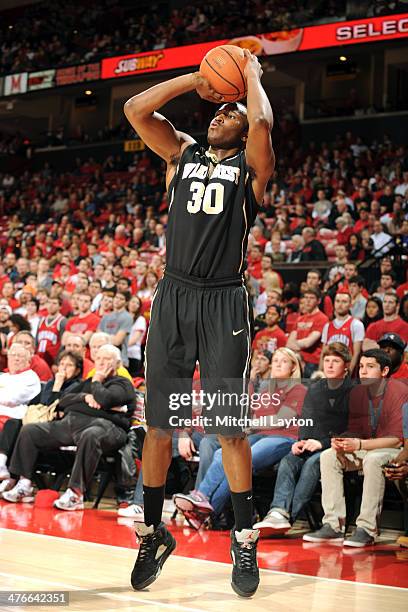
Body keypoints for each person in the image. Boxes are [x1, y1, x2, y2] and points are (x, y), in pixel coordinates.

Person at [124, 49, 275, 596]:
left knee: (228, 428)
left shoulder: (251, 168)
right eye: (218, 107)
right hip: (173, 295)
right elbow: (136, 108)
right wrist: (200, 79)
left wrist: (248, 75)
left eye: (230, 109)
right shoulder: (181, 155)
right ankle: (152, 530)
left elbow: (259, 120)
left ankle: (243, 538)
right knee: (159, 424)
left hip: (224, 301)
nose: (223, 112)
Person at [174, 348, 306, 529]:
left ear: (293, 367)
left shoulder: (298, 389)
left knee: (239, 461)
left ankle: (205, 507)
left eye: (284, 361)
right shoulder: (267, 390)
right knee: (225, 454)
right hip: (258, 434)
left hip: (283, 437)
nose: (278, 364)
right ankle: (203, 504)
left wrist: (249, 425)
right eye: (275, 360)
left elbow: (281, 419)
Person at [3, 345, 135, 509]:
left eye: (107, 359)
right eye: (99, 358)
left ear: (117, 363)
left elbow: (105, 399)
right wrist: (85, 397)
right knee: (31, 430)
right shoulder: (86, 384)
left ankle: (75, 493)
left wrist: (97, 382)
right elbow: (63, 401)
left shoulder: (122, 384)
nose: (101, 362)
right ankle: (24, 483)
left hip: (108, 428)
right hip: (71, 424)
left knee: (91, 434)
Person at [303, 349, 407, 547]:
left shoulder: (398, 390)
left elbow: (396, 439)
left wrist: (359, 444)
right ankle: (333, 525)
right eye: (360, 367)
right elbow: (356, 429)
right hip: (368, 446)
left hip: (394, 450)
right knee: (329, 455)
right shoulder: (358, 392)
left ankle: (367, 529)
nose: (363, 372)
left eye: (370, 367)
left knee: (373, 459)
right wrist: (343, 441)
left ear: (384, 371)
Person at [254, 342, 354, 535]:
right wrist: (302, 440)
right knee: (288, 462)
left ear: (346, 366)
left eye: (336, 361)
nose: (330, 365)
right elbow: (307, 421)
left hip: (336, 446)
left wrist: (321, 443)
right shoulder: (316, 388)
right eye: (327, 360)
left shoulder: (353, 392)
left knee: (311, 465)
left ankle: (287, 518)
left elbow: (349, 429)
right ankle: (277, 512)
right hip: (311, 442)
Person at [0, 351, 83, 493]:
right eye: (61, 364)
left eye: (69, 365)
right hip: (43, 424)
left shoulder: (78, 386)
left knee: (27, 432)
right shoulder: (50, 383)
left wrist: (58, 385)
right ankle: (7, 472)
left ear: (77, 370)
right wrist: (56, 386)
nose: (63, 368)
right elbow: (45, 403)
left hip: (61, 434)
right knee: (13, 424)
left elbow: (57, 407)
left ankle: (19, 481)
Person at [286, 288, 329, 378]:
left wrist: (295, 343)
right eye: (306, 298)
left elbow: (308, 343)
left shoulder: (322, 318)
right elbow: (289, 343)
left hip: (312, 363)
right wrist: (297, 344)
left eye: (312, 298)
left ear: (318, 301)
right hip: (297, 359)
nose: (308, 301)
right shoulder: (300, 318)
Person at [320, 292, 365, 375]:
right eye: (337, 301)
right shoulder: (327, 326)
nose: (340, 304)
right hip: (330, 371)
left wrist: (349, 373)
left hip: (347, 373)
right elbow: (324, 352)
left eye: (344, 301)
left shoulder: (356, 324)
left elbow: (356, 353)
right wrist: (320, 372)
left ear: (350, 304)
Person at [98, 291, 133, 368]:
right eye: (116, 297)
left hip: (120, 360)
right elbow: (98, 338)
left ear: (126, 303)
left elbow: (117, 341)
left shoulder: (127, 317)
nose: (117, 300)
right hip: (103, 358)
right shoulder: (105, 317)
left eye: (121, 299)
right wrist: (111, 338)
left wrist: (104, 338)